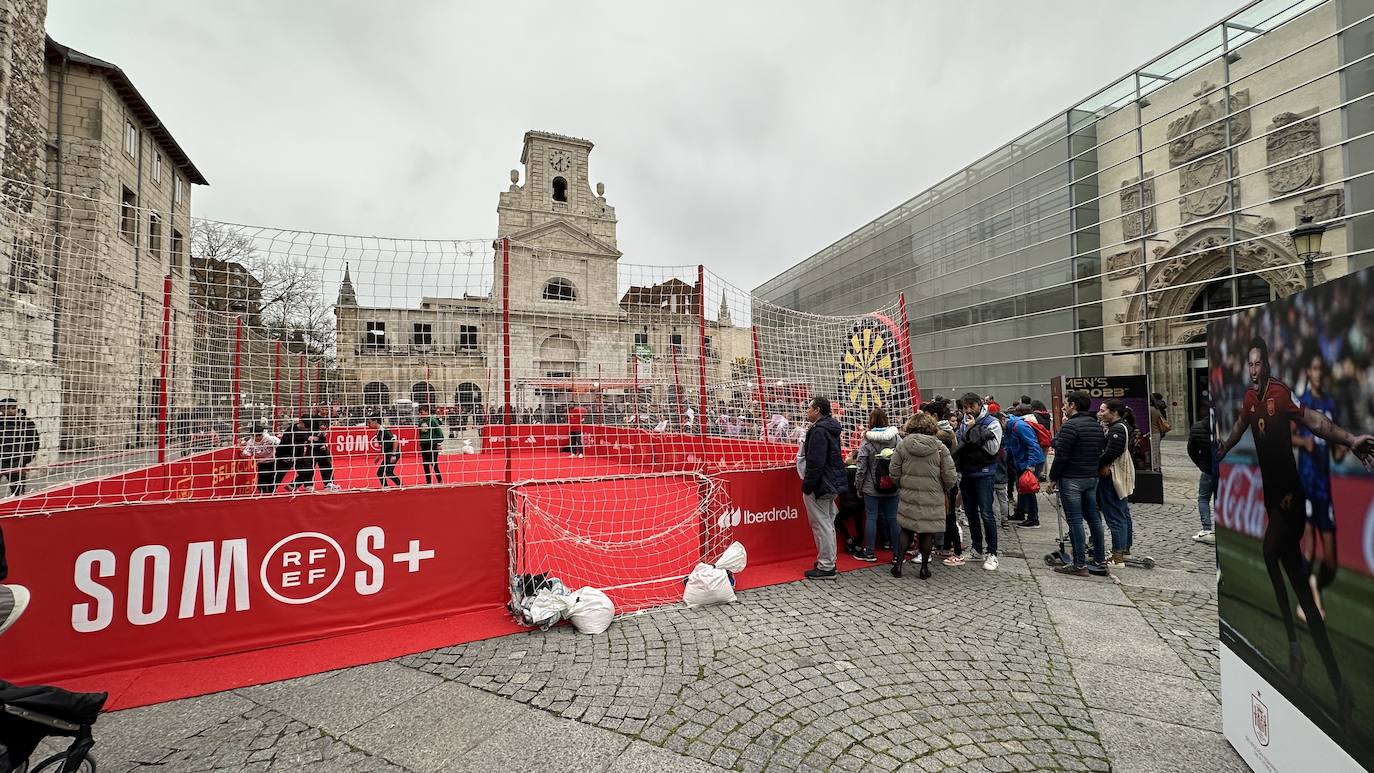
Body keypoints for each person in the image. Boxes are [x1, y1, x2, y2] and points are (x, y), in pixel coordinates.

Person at [1217, 337, 1373, 714]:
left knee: (1270, 553)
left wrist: (1350, 438)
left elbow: (1316, 422)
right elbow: (1239, 428)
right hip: (1273, 501)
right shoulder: (1250, 400)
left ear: (1268, 363)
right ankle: (1338, 685)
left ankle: (1293, 647)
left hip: (1292, 498)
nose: (1254, 370)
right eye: (1250, 365)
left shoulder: (1281, 394)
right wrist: (1220, 449)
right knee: (1301, 586)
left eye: (1258, 363)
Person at [1294, 354, 1340, 615]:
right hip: (1307, 481)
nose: (1318, 373)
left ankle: (1314, 583)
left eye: (1322, 368)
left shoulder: (1330, 404)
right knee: (1310, 545)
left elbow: (1335, 450)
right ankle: (1304, 602)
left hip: (1325, 487)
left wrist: (1344, 449)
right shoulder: (1303, 404)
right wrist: (1303, 443)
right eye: (1314, 368)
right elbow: (1289, 436)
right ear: (1308, 372)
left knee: (1331, 562)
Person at [1047, 391, 1109, 577]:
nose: (1064, 407)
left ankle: (1079, 563)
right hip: (1091, 477)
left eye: (1066, 403)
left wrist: (1052, 478)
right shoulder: (1095, 425)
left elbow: (1062, 455)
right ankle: (1100, 559)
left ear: (1073, 405)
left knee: (1075, 521)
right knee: (1094, 518)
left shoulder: (1070, 426)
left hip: (1072, 478)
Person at [890, 412, 956, 579]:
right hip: (933, 495)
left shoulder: (903, 445)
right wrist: (943, 488)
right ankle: (924, 568)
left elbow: (894, 471)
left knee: (906, 529)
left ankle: (898, 565)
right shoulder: (940, 447)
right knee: (928, 532)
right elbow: (950, 475)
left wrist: (903, 484)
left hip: (909, 493)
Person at [953, 393, 1003, 570]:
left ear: (979, 405)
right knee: (971, 513)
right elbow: (960, 442)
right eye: (965, 407)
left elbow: (992, 449)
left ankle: (992, 553)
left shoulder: (992, 423)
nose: (968, 410)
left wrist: (974, 431)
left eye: (971, 406)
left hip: (984, 473)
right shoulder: (963, 423)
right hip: (967, 472)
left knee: (986, 514)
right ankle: (976, 548)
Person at [799, 396, 847, 580]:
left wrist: (808, 485)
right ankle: (828, 561)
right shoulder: (830, 427)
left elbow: (815, 462)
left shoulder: (819, 430)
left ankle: (826, 565)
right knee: (826, 522)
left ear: (817, 410)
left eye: (809, 408)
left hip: (821, 484)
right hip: (830, 482)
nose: (807, 411)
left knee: (822, 524)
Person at [853, 407, 901, 562]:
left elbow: (861, 466)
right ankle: (896, 554)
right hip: (893, 484)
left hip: (870, 486)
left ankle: (870, 552)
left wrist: (858, 486)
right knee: (893, 518)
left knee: (871, 517)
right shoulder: (896, 438)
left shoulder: (867, 440)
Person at [1097, 399, 1136, 567]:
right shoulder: (1122, 426)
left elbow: (1112, 451)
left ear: (1114, 412)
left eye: (1103, 410)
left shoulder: (1118, 429)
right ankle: (1124, 549)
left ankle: (1117, 555)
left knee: (1115, 514)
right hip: (1118, 474)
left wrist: (1099, 464)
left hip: (1113, 476)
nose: (1100, 413)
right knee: (1122, 511)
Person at [1004, 406, 1046, 529]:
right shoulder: (1011, 427)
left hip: (1029, 462)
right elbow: (1010, 446)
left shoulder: (1020, 426)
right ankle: (1020, 513)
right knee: (1021, 487)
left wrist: (1031, 465)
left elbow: (1033, 445)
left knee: (1028, 489)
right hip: (1022, 461)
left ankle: (1033, 519)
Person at [1187, 401, 1217, 543]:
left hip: (1208, 470)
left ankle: (1206, 529)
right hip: (1224, 470)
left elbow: (1191, 450)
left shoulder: (1197, 427)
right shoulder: (1227, 426)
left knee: (1204, 498)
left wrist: (1201, 465)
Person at [0, 399, 38, 496]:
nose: (9, 411)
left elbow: (33, 443)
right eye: (5, 408)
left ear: (17, 408)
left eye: (12, 408)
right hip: (0, 461)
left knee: (18, 490)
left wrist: (23, 460)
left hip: (16, 462)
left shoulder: (26, 423)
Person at [306, 407, 340, 491]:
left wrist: (324, 443)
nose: (325, 411)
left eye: (326, 409)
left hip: (322, 445)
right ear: (319, 409)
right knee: (310, 465)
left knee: (326, 463)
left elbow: (324, 433)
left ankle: (328, 483)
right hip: (312, 445)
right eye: (323, 409)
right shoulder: (313, 419)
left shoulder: (327, 419)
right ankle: (308, 485)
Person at [242, 424, 282, 494]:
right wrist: (244, 453)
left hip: (272, 461)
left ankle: (272, 492)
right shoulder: (250, 442)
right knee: (262, 479)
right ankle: (263, 493)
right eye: (255, 436)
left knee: (272, 478)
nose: (257, 438)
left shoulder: (270, 439)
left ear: (262, 434)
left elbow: (279, 443)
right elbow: (247, 452)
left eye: (259, 435)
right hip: (261, 463)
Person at [368, 413, 403, 488]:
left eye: (369, 422)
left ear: (376, 421)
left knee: (388, 472)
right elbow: (384, 445)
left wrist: (393, 455)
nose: (368, 424)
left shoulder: (384, 431)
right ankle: (386, 487)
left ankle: (400, 485)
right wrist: (379, 455)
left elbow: (395, 441)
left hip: (393, 453)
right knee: (380, 473)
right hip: (388, 454)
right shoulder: (378, 432)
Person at [417, 405, 445, 484]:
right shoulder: (420, 422)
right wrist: (421, 443)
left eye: (422, 413)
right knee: (425, 464)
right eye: (419, 413)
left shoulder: (432, 421)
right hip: (424, 445)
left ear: (427, 412)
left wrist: (438, 443)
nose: (420, 415)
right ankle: (428, 481)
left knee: (433, 463)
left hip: (432, 445)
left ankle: (439, 480)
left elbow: (440, 433)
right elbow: (420, 434)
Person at [1148, 393, 1171, 470]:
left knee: (1154, 451)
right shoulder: (1156, 408)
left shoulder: (1150, 409)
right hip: (1157, 432)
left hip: (1154, 432)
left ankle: (1155, 467)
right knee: (1156, 450)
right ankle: (1157, 466)